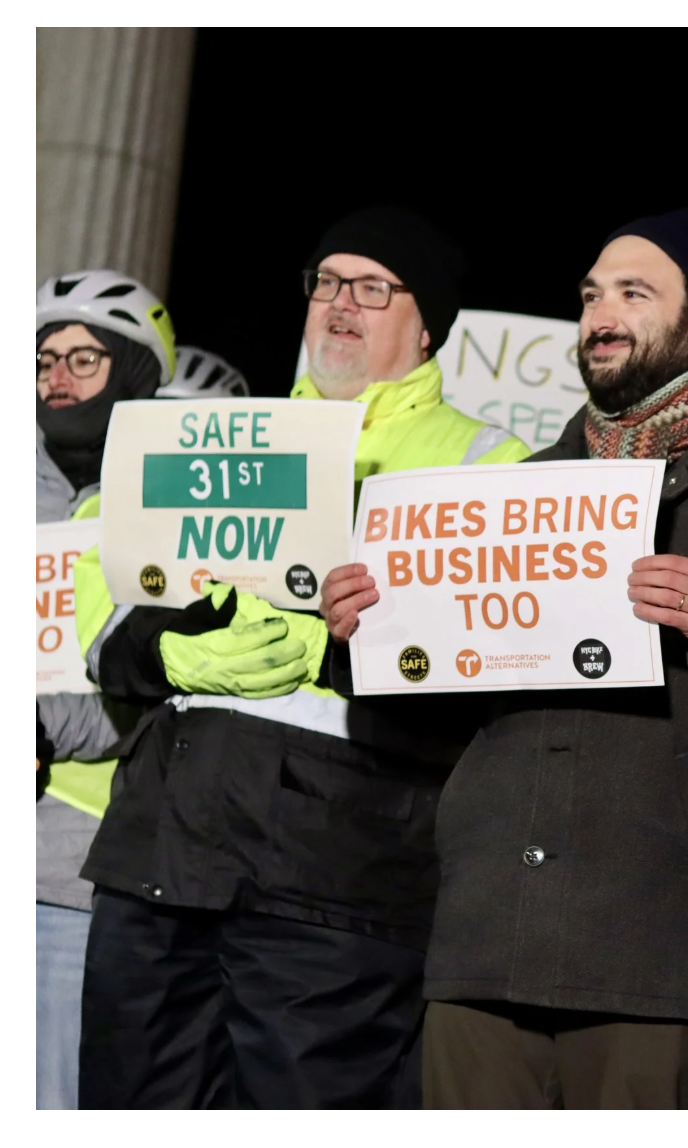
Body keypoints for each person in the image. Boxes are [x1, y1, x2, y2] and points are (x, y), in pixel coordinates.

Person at [319, 203, 688, 1110]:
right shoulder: (521, 488)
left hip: (656, 949)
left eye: (633, 294)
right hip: (487, 933)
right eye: (590, 295)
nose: (600, 315)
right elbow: (443, 708)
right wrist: (368, 637)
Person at [71, 207, 531, 1109]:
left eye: (373, 288)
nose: (341, 303)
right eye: (327, 282)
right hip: (160, 854)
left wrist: (334, 649)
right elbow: (99, 601)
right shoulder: (220, 435)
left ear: (427, 323)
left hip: (337, 882)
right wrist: (171, 650)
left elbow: (484, 660)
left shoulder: (487, 461)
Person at [35, 269, 175, 1109]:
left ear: (133, 373)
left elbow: (143, 687)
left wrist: (36, 723)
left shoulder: (162, 499)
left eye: (83, 358)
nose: (57, 378)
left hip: (65, 876)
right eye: (44, 360)